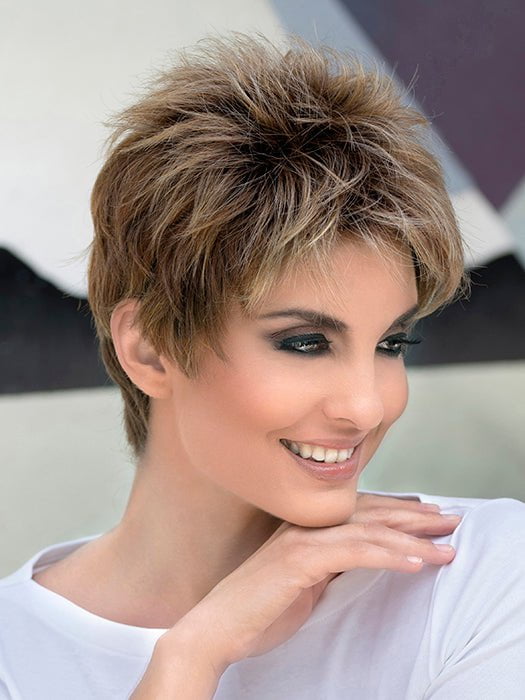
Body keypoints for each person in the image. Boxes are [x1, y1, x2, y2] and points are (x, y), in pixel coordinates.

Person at [1, 35, 524, 700]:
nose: (366, 407)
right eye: (305, 343)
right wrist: (191, 657)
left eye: (392, 344)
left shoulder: (479, 573)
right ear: (150, 349)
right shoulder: (14, 653)